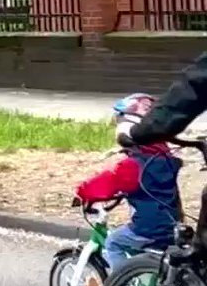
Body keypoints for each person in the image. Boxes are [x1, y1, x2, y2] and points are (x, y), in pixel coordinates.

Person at [77, 93, 182, 270]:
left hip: (150, 228)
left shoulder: (132, 166)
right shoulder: (166, 160)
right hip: (173, 224)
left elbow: (108, 183)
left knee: (113, 243)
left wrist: (82, 192)